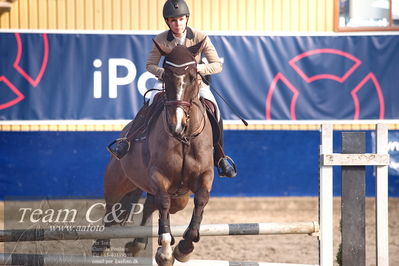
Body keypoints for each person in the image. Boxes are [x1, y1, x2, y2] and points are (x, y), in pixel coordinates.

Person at [108, 0, 237, 178]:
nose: (178, 24)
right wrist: (166, 73)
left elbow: (217, 65)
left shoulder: (200, 37)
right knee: (150, 103)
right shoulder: (161, 39)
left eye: (181, 19)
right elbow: (150, 65)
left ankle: (220, 157)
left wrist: (198, 69)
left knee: (215, 110)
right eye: (173, 20)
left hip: (194, 83)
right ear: (168, 22)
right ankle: (127, 141)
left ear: (187, 19)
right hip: (167, 82)